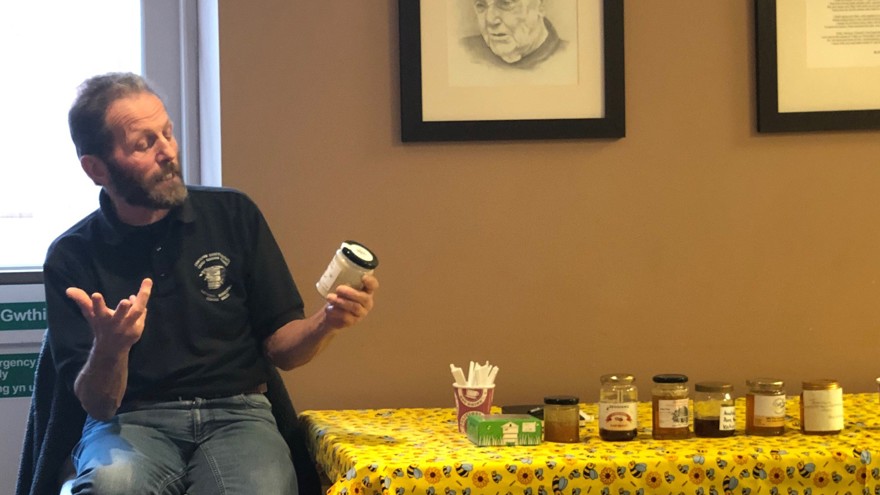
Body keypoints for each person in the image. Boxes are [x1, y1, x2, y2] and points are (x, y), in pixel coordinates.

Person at [42, 72, 378, 494]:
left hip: (239, 415)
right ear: (96, 168)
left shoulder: (233, 214)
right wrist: (112, 348)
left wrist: (327, 321)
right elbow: (99, 404)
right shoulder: (71, 255)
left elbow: (282, 348)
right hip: (131, 421)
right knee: (110, 487)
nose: (168, 151)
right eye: (145, 143)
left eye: (167, 132)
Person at [460, 0, 568, 70]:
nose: (490, 19)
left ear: (540, 6)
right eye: (480, 5)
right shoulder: (463, 53)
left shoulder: (567, 60)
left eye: (506, 3)